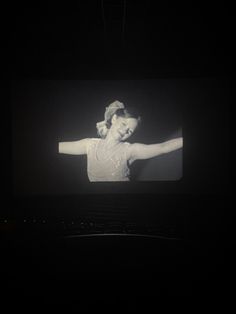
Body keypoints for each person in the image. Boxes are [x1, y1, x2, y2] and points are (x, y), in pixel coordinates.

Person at [58, 100, 183, 181]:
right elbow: (58, 147)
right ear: (114, 119)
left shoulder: (130, 150)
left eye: (129, 131)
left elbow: (163, 147)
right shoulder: (89, 144)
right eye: (124, 124)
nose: (125, 131)